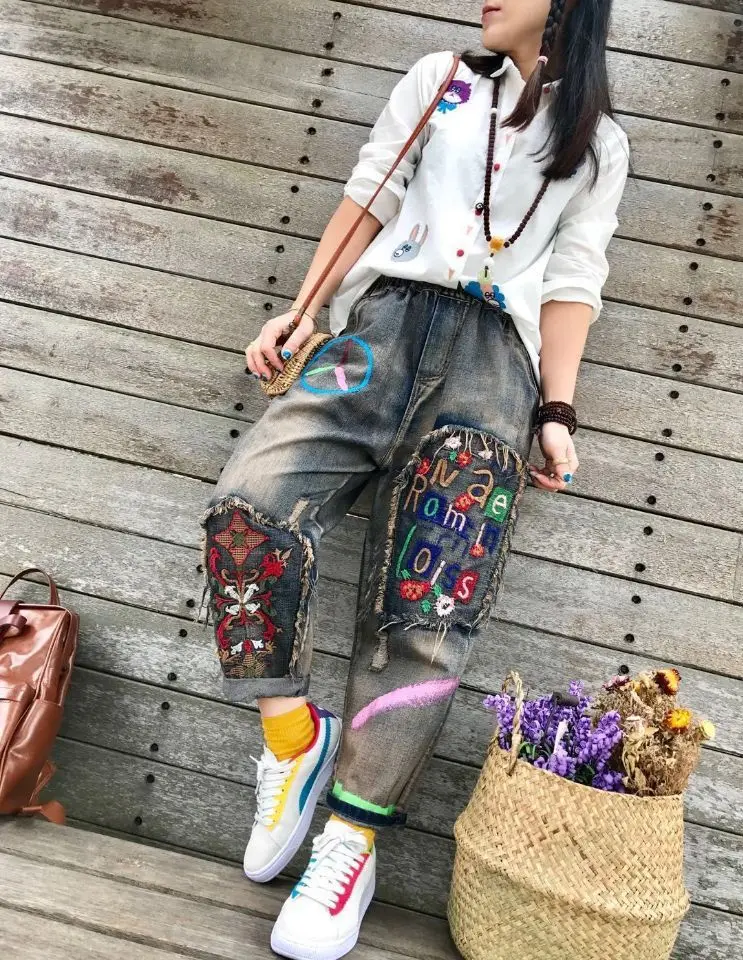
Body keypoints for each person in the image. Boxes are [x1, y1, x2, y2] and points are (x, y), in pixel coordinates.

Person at [198, 1, 629, 957]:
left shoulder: (598, 141)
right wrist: (302, 311)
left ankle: (348, 847)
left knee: (428, 614)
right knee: (249, 510)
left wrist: (555, 413)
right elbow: (370, 195)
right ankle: (293, 740)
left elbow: (574, 279)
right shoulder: (438, 80)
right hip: (373, 336)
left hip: (493, 370)